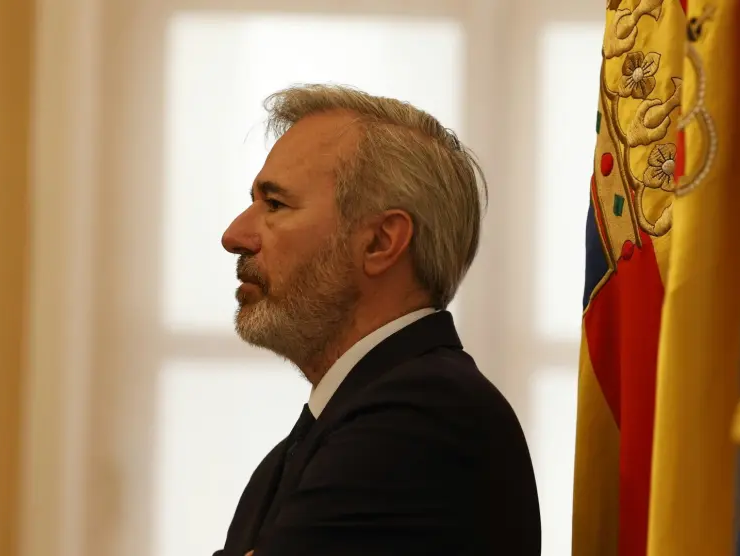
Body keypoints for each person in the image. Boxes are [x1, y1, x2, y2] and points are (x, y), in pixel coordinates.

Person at [213, 84, 541, 556]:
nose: (234, 235)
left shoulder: (422, 419)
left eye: (275, 205)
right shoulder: (320, 436)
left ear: (381, 242)